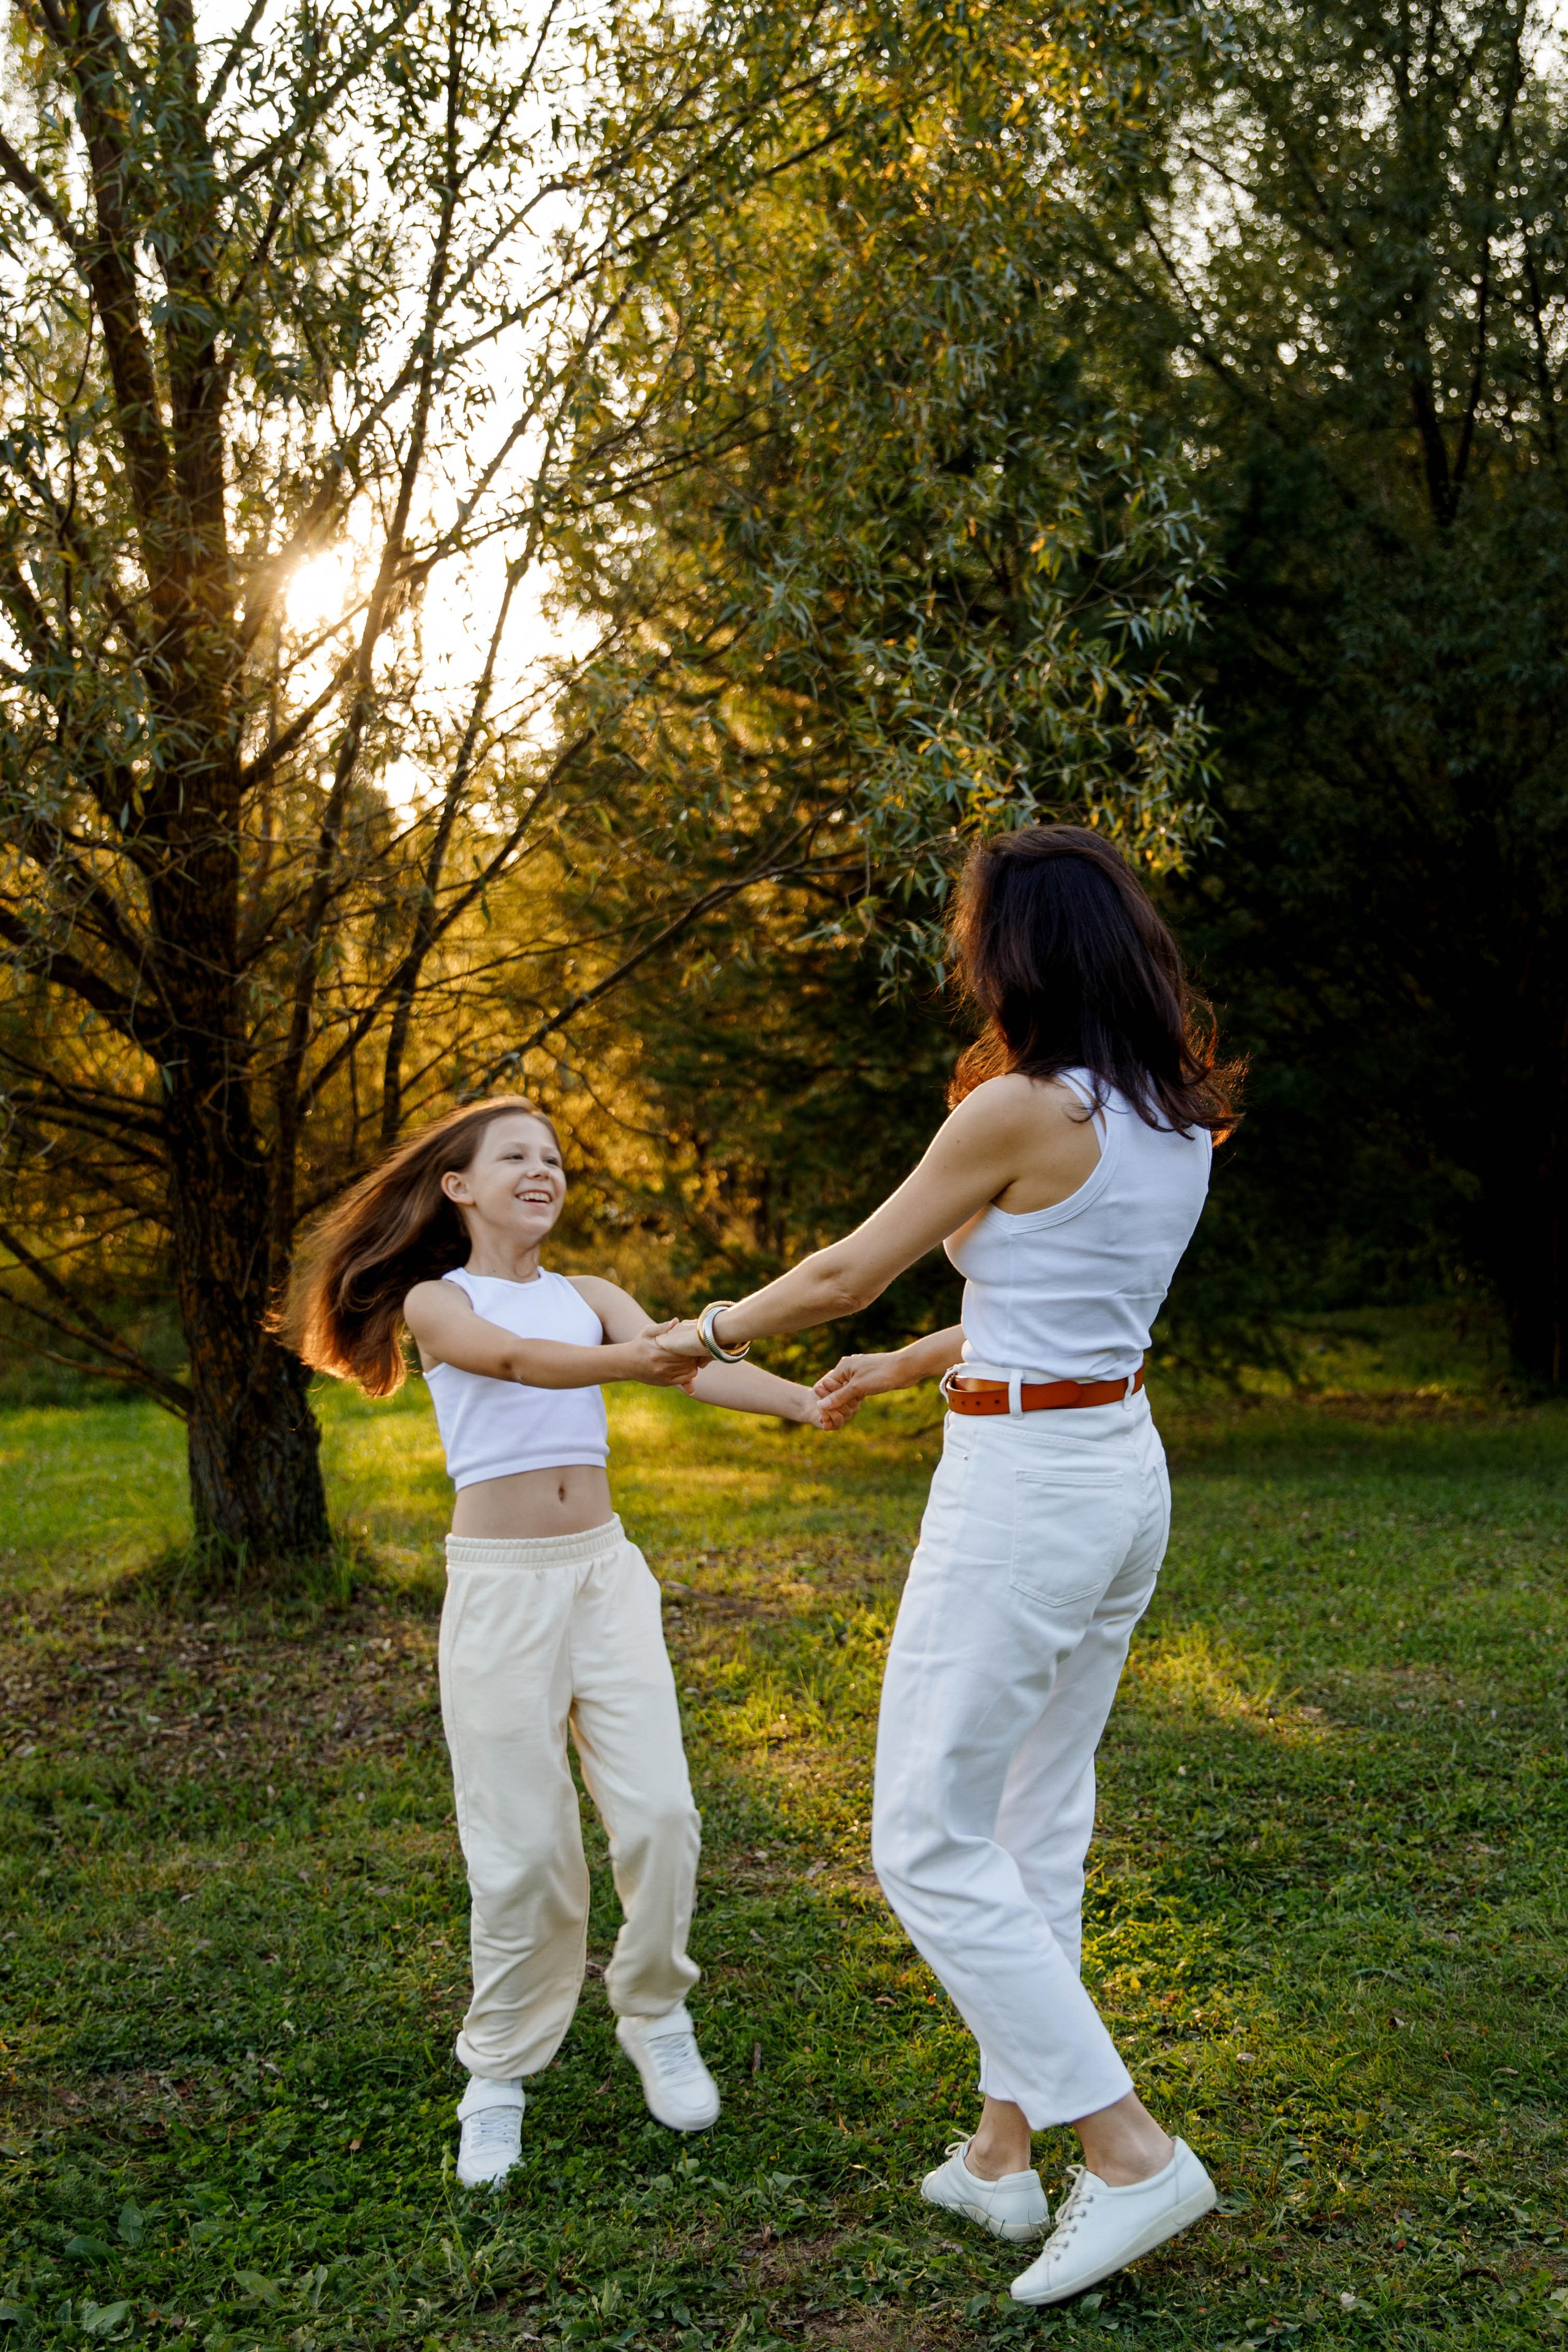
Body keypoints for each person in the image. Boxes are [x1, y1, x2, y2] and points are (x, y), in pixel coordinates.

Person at [656, 825, 1238, 2305]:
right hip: (1112, 1469)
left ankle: (1123, 2153)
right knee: (1032, 1822)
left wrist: (703, 1334)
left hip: (1027, 1493)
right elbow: (1053, 1300)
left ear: (1018, 951)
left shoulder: (1021, 1109)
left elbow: (847, 1265)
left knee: (923, 1832)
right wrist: (911, 1365)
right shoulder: (1167, 1115)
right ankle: (995, 2158)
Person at [285, 1096, 839, 2188]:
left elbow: (693, 1364)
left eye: (553, 1157)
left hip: (604, 1576)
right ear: (458, 1187)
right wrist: (643, 1363)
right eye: (516, 1157)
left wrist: (800, 1404)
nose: (542, 1171)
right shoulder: (437, 1301)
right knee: (525, 1849)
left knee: (665, 1817)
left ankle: (654, 2011)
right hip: (501, 1594)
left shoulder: (591, 1297)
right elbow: (519, 1364)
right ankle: (497, 2073)